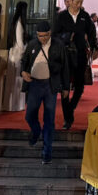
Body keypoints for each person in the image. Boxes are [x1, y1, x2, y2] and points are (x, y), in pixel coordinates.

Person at [21, 20, 70, 164]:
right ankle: (36, 131)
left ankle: (47, 152)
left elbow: (65, 67)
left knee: (49, 119)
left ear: (50, 33)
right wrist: (23, 72)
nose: (42, 38)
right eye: (40, 36)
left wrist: (66, 87)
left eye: (45, 36)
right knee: (29, 115)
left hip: (50, 85)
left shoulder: (58, 45)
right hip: (34, 84)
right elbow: (24, 61)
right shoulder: (32, 44)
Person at [54, 0, 98, 129]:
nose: (79, 5)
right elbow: (54, 34)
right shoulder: (61, 16)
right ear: (70, 1)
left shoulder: (84, 16)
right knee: (65, 86)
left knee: (79, 86)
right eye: (77, 2)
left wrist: (94, 48)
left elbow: (92, 33)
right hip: (66, 55)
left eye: (81, 2)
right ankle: (68, 118)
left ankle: (71, 107)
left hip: (80, 54)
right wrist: (66, 38)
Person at [4, 1, 28, 112]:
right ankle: (15, 104)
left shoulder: (15, 22)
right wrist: (25, 50)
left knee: (14, 80)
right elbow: (19, 41)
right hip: (18, 54)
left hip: (14, 53)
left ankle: (13, 104)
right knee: (17, 80)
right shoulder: (19, 23)